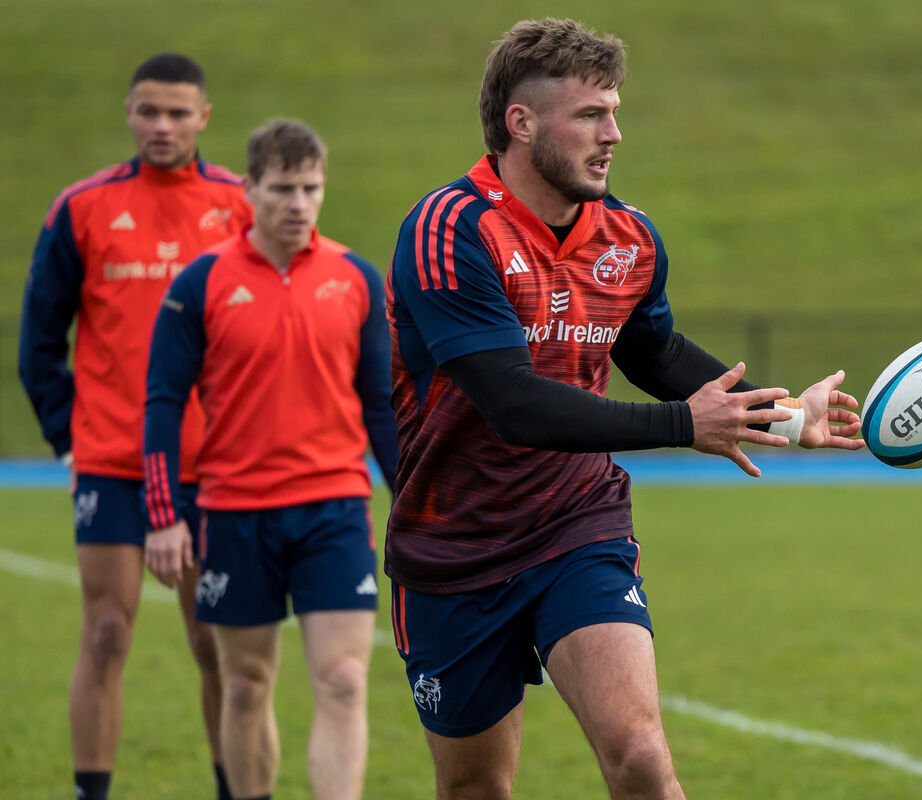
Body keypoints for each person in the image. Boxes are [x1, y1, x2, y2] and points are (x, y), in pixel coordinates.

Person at [385, 17, 866, 800]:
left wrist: (784, 415)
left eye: (614, 112)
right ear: (521, 122)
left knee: (640, 757)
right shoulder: (451, 230)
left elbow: (655, 354)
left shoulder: (630, 237)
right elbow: (513, 403)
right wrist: (684, 426)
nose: (613, 135)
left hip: (576, 527)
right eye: (590, 116)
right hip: (452, 547)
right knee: (476, 789)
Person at [18, 52, 252, 800]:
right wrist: (70, 441)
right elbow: (38, 343)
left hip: (215, 468)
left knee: (214, 641)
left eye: (178, 112)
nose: (162, 125)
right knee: (107, 632)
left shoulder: (241, 205)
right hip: (114, 465)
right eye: (149, 110)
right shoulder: (82, 207)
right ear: (128, 112)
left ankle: (232, 788)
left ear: (204, 117)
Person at [141, 118, 398, 800]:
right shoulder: (199, 284)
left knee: (344, 680)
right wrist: (163, 516)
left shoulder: (356, 278)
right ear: (249, 189)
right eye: (283, 188)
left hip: (334, 511)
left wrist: (414, 504)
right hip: (235, 514)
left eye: (311, 188)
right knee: (246, 684)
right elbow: (163, 403)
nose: (298, 203)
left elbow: (381, 407)